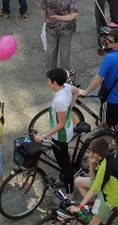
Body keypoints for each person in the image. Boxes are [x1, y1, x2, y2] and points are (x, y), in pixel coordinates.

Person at [79, 27, 118, 154]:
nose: (106, 42)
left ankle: (106, 149)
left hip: (112, 100)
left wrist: (86, 92)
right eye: (106, 39)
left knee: (103, 125)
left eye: (110, 41)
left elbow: (98, 78)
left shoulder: (110, 58)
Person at [33, 68, 79, 198]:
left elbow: (61, 124)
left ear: (54, 82)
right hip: (66, 129)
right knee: (63, 161)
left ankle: (70, 194)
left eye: (49, 80)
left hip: (61, 136)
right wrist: (70, 108)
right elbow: (76, 92)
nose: (47, 82)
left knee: (65, 165)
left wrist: (44, 135)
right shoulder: (66, 87)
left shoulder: (60, 101)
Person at [68, 137, 118, 225]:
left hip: (109, 197)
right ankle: (89, 208)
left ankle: (95, 211)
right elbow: (93, 178)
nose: (90, 153)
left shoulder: (104, 167)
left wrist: (79, 207)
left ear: (96, 154)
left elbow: (92, 190)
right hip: (105, 185)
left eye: (91, 151)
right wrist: (91, 163)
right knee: (78, 181)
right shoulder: (104, 158)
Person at [42, 0, 79, 71]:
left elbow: (44, 9)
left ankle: (50, 71)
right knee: (65, 51)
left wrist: (47, 20)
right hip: (66, 29)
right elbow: (74, 14)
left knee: (51, 49)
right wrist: (60, 17)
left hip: (51, 26)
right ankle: (65, 72)